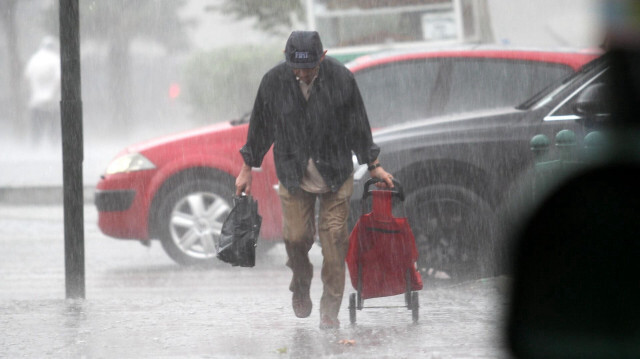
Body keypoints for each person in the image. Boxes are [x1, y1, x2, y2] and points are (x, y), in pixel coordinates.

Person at [235, 30, 394, 329]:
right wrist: (247, 168)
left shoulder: (341, 79)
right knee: (296, 238)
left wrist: (373, 164)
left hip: (335, 172)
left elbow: (359, 125)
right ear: (287, 60)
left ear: (322, 57)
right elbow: (260, 128)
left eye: (309, 68)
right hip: (293, 174)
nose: (303, 73)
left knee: (334, 240)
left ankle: (329, 311)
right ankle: (301, 283)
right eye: (297, 67)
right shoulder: (274, 82)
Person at [24, 36, 61, 146]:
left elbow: (26, 77)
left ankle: (35, 150)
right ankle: (54, 149)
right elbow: (59, 79)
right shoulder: (55, 59)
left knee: (36, 130)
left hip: (36, 101)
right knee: (54, 130)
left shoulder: (34, 59)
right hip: (52, 101)